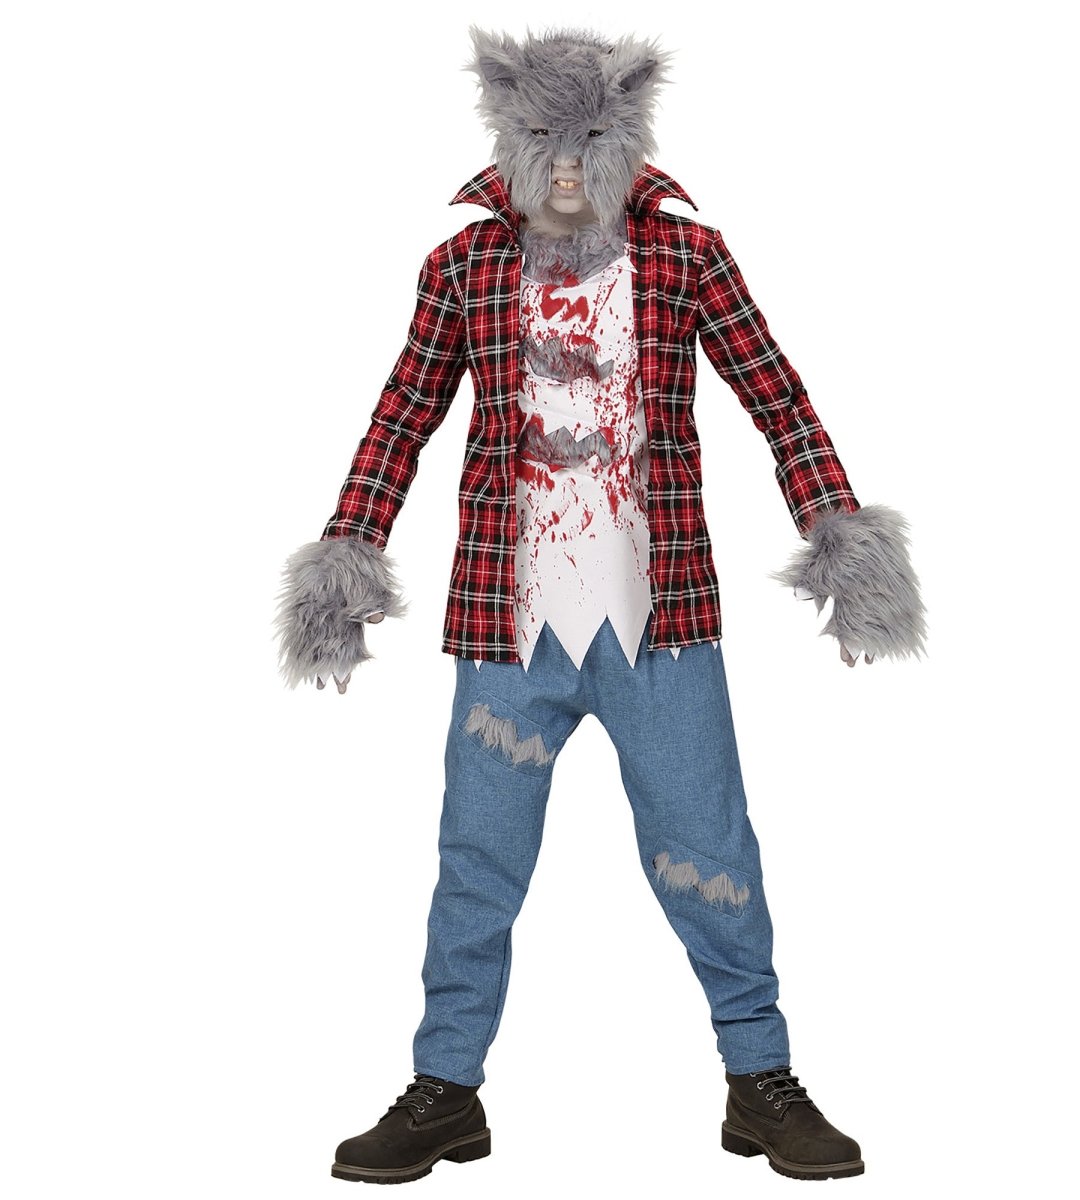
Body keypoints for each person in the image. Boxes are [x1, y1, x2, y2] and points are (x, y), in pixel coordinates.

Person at [276, 25, 925, 1185]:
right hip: (506, 631)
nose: (569, 168)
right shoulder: (465, 268)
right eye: (546, 141)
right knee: (477, 865)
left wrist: (840, 541)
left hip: (659, 628)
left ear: (626, 140)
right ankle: (446, 1090)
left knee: (710, 853)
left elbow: (778, 399)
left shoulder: (686, 257)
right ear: (512, 140)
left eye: (591, 141)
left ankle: (759, 1079)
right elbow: (401, 417)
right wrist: (348, 558)